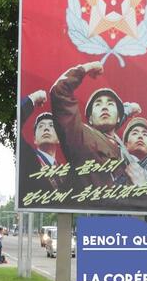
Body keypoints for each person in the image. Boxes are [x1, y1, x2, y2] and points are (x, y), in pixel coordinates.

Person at [50, 61, 141, 191]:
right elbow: (60, 92)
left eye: (110, 103)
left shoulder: (117, 141)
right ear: (91, 119)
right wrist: (87, 68)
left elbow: (120, 115)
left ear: (119, 117)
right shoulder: (81, 136)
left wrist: (130, 108)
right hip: (95, 209)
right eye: (98, 104)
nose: (104, 107)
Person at [19, 90, 63, 202]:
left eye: (51, 125)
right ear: (34, 139)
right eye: (41, 126)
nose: (46, 128)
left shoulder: (65, 172)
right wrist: (33, 97)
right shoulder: (28, 157)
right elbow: (17, 120)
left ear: (59, 138)